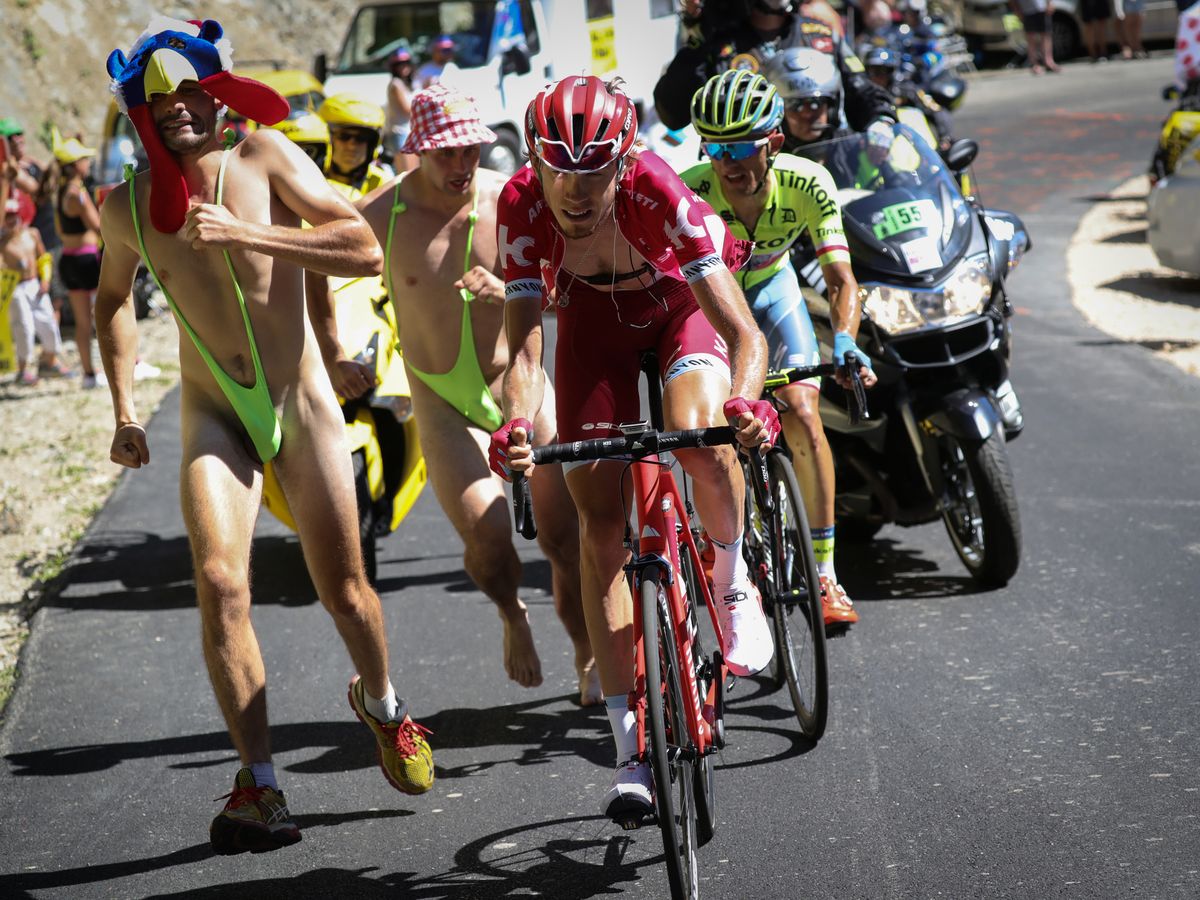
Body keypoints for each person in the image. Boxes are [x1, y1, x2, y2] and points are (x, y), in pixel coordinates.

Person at [97, 16, 433, 855]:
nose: (176, 107)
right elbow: (107, 300)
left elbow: (361, 246)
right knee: (220, 581)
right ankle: (262, 785)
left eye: (189, 90)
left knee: (346, 591)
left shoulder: (267, 159)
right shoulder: (128, 205)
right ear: (142, 111)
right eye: (158, 96)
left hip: (303, 404)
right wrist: (124, 411)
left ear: (219, 94)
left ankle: (384, 705)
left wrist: (248, 231)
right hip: (215, 413)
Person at [490, 75, 780, 819]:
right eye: (558, 171)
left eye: (593, 175)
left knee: (700, 441)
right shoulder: (520, 204)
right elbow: (523, 350)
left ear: (625, 164)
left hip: (676, 307)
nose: (574, 193)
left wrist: (745, 405)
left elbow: (746, 334)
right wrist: (517, 424)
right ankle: (631, 753)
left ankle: (729, 576)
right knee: (600, 533)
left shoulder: (659, 193)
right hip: (593, 323)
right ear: (534, 161)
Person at [349, 83, 597, 702]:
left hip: (518, 380)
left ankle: (588, 654)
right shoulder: (380, 212)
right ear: (419, 152)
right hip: (439, 396)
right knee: (488, 541)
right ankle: (512, 612)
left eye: (469, 151)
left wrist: (518, 288)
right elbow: (322, 280)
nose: (461, 166)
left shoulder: (512, 199)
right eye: (446, 154)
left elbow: (576, 278)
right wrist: (331, 352)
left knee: (564, 538)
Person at [683, 70, 876, 624]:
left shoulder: (809, 182)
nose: (728, 162)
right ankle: (721, 537)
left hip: (772, 291)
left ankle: (825, 575)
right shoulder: (689, 188)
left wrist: (843, 339)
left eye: (741, 146)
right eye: (715, 147)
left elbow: (841, 280)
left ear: (774, 142)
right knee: (710, 423)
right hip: (711, 306)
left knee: (803, 410)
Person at [654, 0, 896, 135]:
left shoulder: (820, 35)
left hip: (824, 168)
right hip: (745, 182)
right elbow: (672, 115)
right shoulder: (718, 44)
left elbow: (861, 89)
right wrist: (697, 39)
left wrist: (880, 122)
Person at [51, 131, 107, 388]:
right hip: (87, 261)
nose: (88, 163)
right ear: (76, 166)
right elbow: (98, 227)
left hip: (68, 259)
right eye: (84, 159)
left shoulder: (60, 192)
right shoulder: (79, 194)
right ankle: (121, 365)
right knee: (107, 316)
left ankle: (88, 375)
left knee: (83, 323)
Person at [2, 197, 69, 384]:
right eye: (7, 216)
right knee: (23, 326)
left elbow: (44, 257)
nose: (11, 219)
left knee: (48, 321)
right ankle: (23, 370)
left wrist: (45, 278)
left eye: (14, 215)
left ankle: (49, 361)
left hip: (35, 284)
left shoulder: (31, 233)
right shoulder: (3, 242)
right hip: (16, 287)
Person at [319, 93, 390, 197]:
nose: (352, 145)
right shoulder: (307, 178)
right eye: (344, 136)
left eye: (362, 138)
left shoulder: (382, 184)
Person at [384, 48, 418, 171]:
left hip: (408, 133)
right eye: (399, 64)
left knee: (414, 172)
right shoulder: (395, 84)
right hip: (399, 134)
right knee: (406, 175)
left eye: (406, 63)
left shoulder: (407, 84)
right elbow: (407, 109)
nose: (403, 66)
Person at [1009, 0, 1060, 73]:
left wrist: (1050, 3)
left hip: (1042, 8)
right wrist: (1017, 11)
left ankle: (1049, 62)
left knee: (1046, 36)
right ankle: (1034, 64)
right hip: (1027, 11)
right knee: (1031, 39)